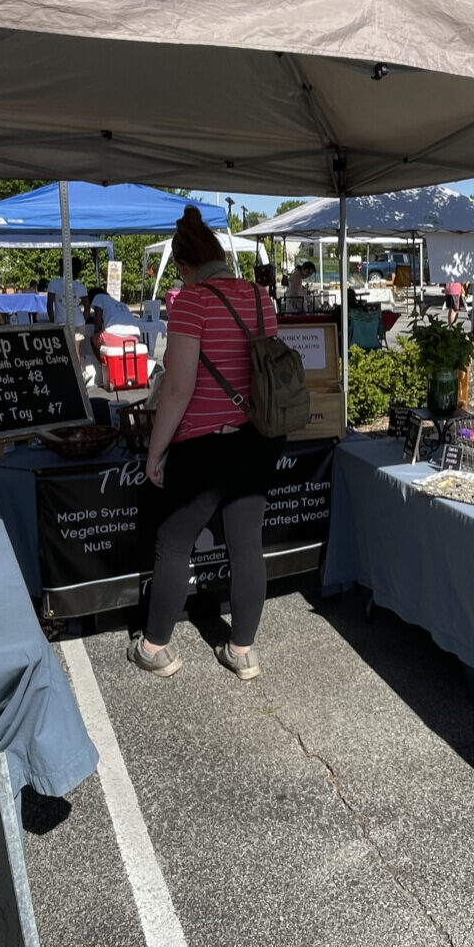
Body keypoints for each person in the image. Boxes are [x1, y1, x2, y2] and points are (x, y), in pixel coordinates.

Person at [132, 206, 282, 683]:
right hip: (257, 437)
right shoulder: (261, 298)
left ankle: (155, 647)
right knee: (246, 544)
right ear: (219, 254)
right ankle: (243, 651)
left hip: (204, 446)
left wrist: (155, 452)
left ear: (181, 266)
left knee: (174, 541)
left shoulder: (190, 302)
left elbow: (176, 389)